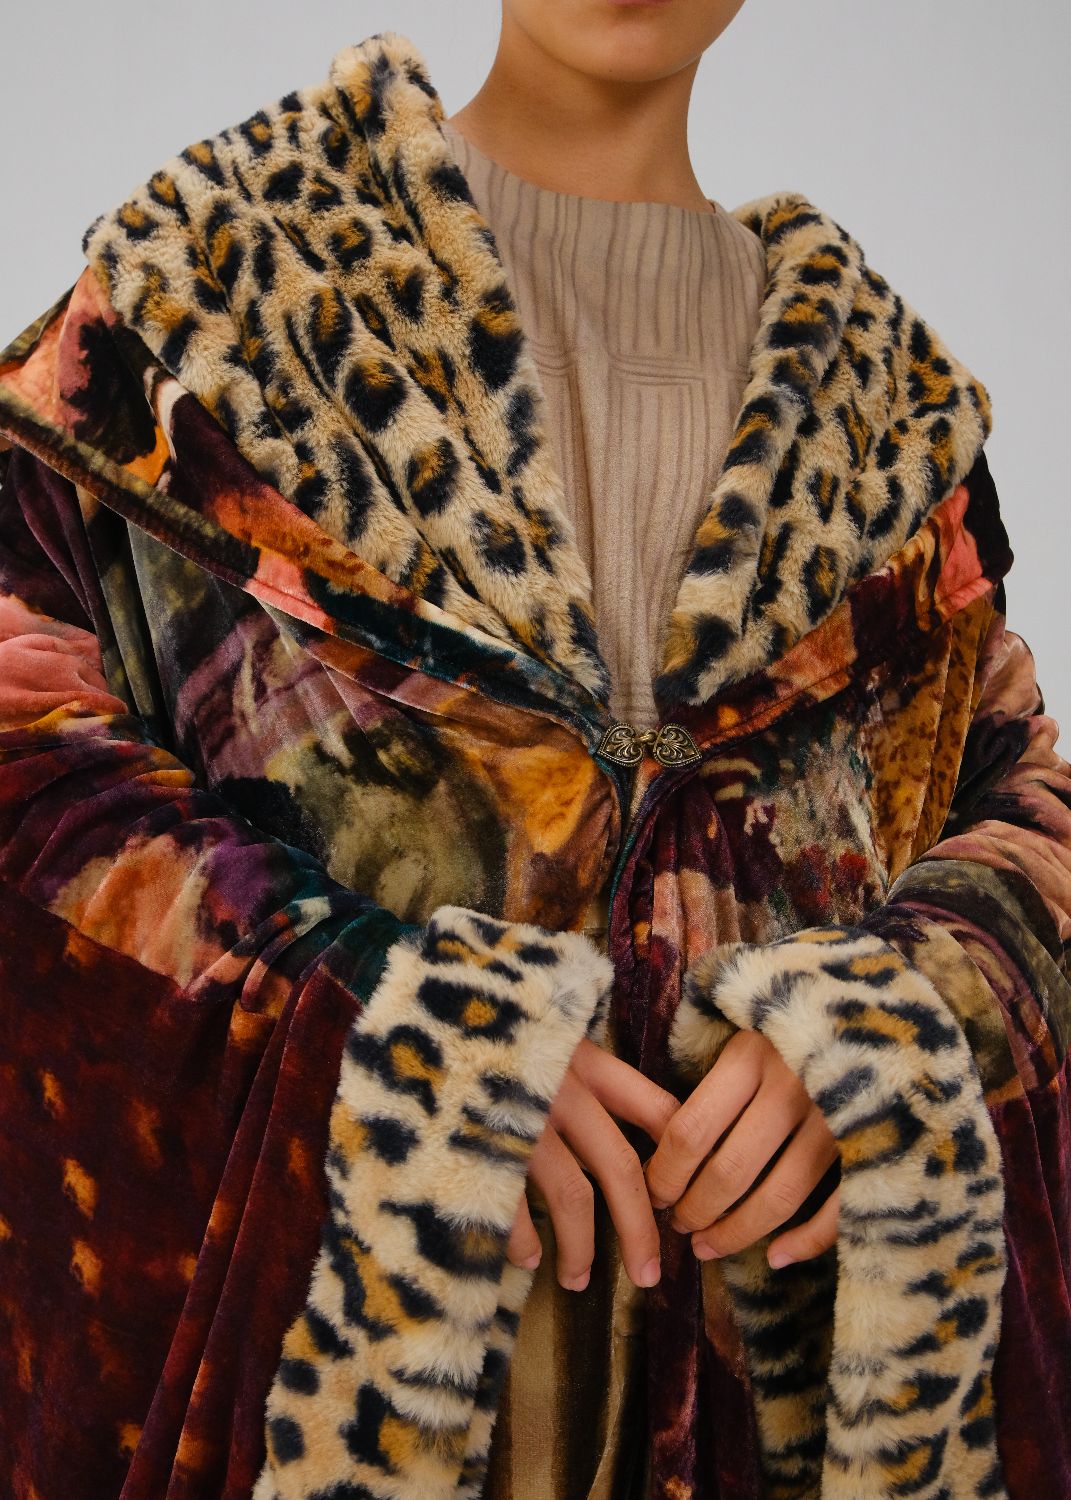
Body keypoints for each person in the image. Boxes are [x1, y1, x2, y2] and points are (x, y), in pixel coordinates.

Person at [0, 5, 1067, 1500]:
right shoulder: (204, 311)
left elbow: (1027, 810)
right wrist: (378, 1026)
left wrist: (896, 1025)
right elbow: (22, 753)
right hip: (350, 1423)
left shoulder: (887, 426)